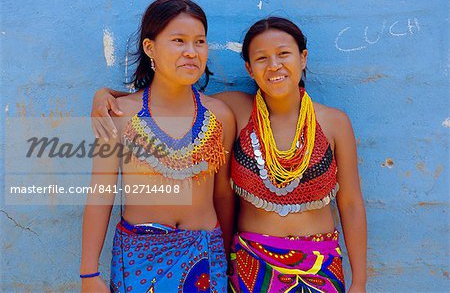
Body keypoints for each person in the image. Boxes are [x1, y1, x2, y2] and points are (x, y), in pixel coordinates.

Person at [92, 17, 367, 293]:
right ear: (249, 68)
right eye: (261, 58)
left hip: (321, 264)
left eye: (284, 54)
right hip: (252, 264)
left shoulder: (334, 123)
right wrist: (108, 97)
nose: (274, 66)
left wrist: (359, 281)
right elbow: (172, 95)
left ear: (303, 57)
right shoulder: (234, 110)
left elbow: (352, 204)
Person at [81, 0, 235, 293]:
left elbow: (223, 196)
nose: (191, 52)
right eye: (179, 41)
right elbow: (100, 195)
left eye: (200, 42)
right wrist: (88, 274)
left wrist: (225, 261)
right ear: (150, 47)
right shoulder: (119, 116)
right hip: (138, 259)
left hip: (205, 257)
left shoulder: (221, 116)